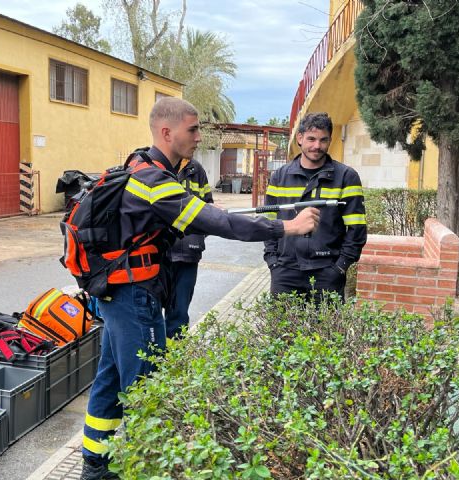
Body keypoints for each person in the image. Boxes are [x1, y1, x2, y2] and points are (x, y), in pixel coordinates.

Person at [79, 97, 320, 480]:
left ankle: (96, 465)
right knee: (147, 389)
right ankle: (144, 467)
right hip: (132, 297)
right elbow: (213, 220)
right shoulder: (151, 180)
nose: (198, 136)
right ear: (166, 132)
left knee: (110, 379)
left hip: (121, 293)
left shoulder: (141, 166)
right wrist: (286, 227)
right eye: (193, 130)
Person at [263, 112, 367, 301]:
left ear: (330, 140)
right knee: (282, 331)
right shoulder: (279, 177)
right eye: (311, 139)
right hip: (285, 273)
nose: (317, 146)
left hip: (327, 274)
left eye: (323, 140)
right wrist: (272, 262)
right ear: (300, 138)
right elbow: (269, 222)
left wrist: (340, 267)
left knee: (327, 330)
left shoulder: (346, 177)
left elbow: (357, 229)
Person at [164, 157, 213, 339]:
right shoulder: (157, 166)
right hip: (160, 255)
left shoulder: (196, 169)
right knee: (151, 311)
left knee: (179, 313)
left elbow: (208, 208)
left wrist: (196, 236)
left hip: (188, 254)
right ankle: (156, 358)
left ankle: (174, 358)